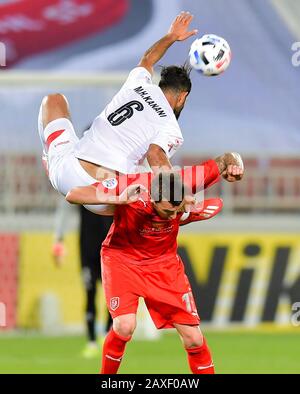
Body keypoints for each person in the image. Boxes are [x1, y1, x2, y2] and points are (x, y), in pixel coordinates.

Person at [66, 153, 244, 374]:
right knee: (124, 326)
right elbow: (74, 194)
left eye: (175, 210)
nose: (171, 216)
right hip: (123, 260)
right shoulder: (130, 185)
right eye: (167, 211)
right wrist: (119, 199)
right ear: (152, 197)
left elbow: (227, 159)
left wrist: (236, 167)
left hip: (164, 265)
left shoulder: (186, 180)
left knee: (194, 339)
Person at [38, 11, 200, 214]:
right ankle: (181, 212)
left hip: (68, 172)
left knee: (53, 100)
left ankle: (50, 156)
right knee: (152, 191)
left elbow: (148, 60)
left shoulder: (138, 84)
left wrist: (171, 37)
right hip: (107, 195)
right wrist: (176, 193)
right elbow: (156, 154)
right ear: (182, 97)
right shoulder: (171, 127)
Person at [52, 201, 113, 358]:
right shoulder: (81, 186)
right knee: (90, 293)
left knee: (112, 296)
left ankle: (107, 334)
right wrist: (58, 238)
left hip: (111, 250)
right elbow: (64, 207)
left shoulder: (113, 186)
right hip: (87, 250)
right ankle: (91, 341)